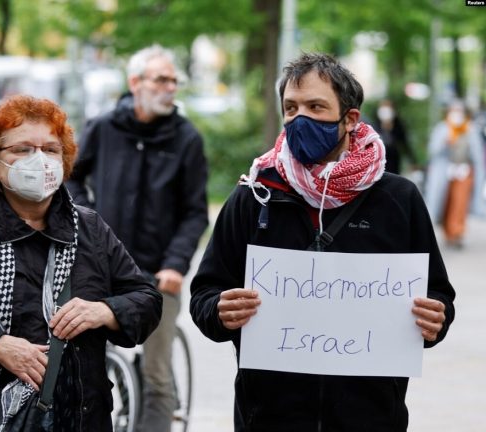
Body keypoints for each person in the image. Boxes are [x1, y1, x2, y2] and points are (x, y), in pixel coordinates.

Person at [190, 53, 455, 431]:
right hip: (268, 418)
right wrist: (219, 310)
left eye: (316, 107)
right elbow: (204, 293)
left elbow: (438, 295)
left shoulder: (399, 199)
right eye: (291, 108)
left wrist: (435, 319)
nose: (301, 119)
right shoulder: (255, 195)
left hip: (371, 418)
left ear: (349, 119)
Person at [0, 94, 162, 431]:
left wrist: (107, 311)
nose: (39, 160)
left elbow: (146, 299)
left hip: (81, 417)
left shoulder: (88, 229)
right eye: (22, 149)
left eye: (51, 149)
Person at [66, 44, 209, 432]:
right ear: (135, 83)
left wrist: (176, 264)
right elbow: (71, 175)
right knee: (91, 365)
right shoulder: (104, 127)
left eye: (173, 81)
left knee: (157, 375)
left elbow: (195, 211)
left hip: (159, 273)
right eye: (161, 79)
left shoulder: (187, 139)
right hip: (103, 268)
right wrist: (85, 216)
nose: (170, 88)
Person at [423, 100, 485, 249]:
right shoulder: (442, 129)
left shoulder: (470, 129)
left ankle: (457, 233)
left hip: (464, 172)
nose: (456, 113)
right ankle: (448, 232)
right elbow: (432, 151)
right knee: (446, 203)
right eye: (454, 110)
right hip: (445, 172)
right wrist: (444, 143)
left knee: (460, 204)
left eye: (459, 110)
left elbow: (476, 155)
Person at [371, 98, 417, 174]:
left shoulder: (398, 127)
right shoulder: (374, 126)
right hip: (377, 163)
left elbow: (405, 144)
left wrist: (413, 162)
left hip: (393, 162)